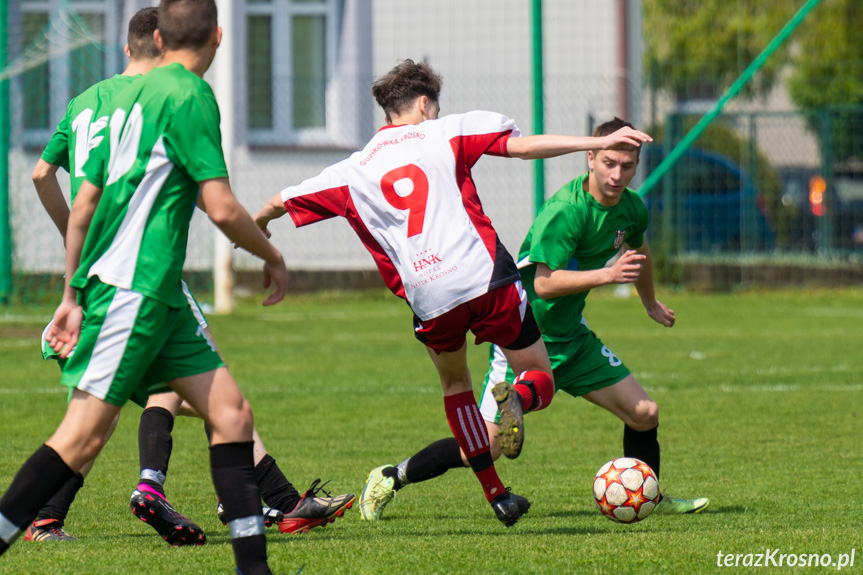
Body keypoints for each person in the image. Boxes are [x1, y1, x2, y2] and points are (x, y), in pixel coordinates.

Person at [254, 60, 651, 527]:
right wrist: (597, 140)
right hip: (484, 277)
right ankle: (520, 397)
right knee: (537, 372)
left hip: (428, 296)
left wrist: (261, 232)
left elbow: (278, 203)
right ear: (424, 104)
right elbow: (524, 148)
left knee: (456, 387)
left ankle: (497, 494)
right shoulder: (447, 131)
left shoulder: (352, 169)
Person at [26, 7, 354, 546]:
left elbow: (44, 175)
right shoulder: (164, 97)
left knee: (110, 406)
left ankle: (44, 516)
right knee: (196, 382)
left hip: (94, 271)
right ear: (165, 44)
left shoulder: (86, 102)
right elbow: (196, 193)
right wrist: (260, 246)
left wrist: (75, 245)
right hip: (142, 268)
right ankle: (251, 500)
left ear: (130, 47)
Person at [359, 117, 709, 520]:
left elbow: (639, 249)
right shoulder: (566, 211)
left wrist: (649, 301)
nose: (617, 174)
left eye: (627, 166)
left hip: (573, 340)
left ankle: (652, 497)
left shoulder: (630, 208)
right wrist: (608, 276)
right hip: (523, 341)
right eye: (609, 162)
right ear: (590, 157)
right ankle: (392, 476)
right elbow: (543, 284)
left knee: (645, 413)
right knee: (486, 447)